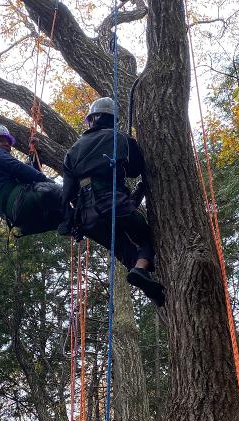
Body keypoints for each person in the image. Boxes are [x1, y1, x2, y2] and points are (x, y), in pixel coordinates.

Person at [61, 97, 165, 306]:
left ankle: (142, 276)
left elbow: (68, 192)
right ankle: (140, 269)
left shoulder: (72, 151)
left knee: (121, 247)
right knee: (146, 236)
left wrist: (72, 221)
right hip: (112, 203)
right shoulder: (121, 138)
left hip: (86, 217)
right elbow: (136, 169)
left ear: (91, 120)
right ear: (113, 120)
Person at [0, 125, 66, 236]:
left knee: (65, 215)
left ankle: (71, 222)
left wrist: (34, 156)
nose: (7, 144)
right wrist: (49, 182)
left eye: (8, 142)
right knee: (57, 191)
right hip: (19, 203)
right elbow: (19, 169)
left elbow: (25, 175)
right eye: (1, 141)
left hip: (21, 218)